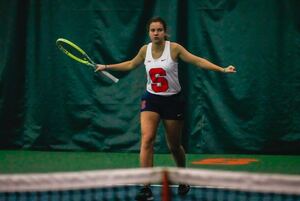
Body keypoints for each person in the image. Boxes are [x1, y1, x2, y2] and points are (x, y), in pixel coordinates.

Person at [95, 17, 236, 201]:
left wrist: (222, 69)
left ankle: (182, 177)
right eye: (153, 30)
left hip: (173, 101)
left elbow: (198, 61)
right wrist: (105, 66)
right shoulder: (144, 50)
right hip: (151, 99)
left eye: (159, 30)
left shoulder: (174, 48)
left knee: (174, 146)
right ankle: (145, 186)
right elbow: (130, 64)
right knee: (147, 139)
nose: (156, 33)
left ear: (165, 32)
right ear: (149, 32)